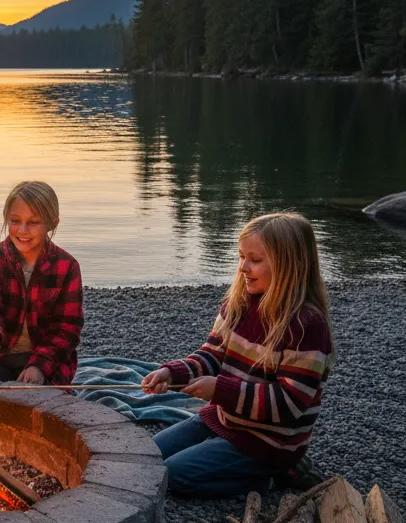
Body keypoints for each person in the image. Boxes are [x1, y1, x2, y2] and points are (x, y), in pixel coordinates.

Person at [141, 211, 334, 497]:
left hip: (269, 441)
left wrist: (219, 389)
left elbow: (290, 404)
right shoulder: (238, 305)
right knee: (146, 457)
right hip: (224, 419)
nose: (243, 267)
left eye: (255, 260)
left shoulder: (307, 326)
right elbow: (211, 355)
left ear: (290, 266)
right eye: (241, 257)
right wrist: (173, 372)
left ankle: (270, 477)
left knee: (173, 475)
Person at [0, 180, 83, 386]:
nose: (22, 230)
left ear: (53, 223)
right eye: (15, 220)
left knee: (42, 406)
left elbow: (67, 329)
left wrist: (39, 365)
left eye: (33, 222)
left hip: (47, 361)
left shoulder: (67, 267)